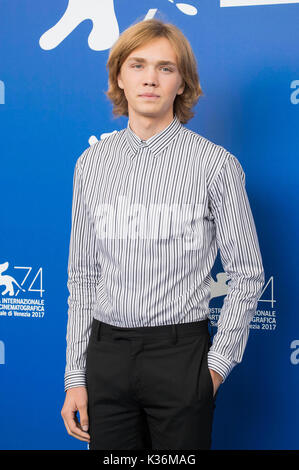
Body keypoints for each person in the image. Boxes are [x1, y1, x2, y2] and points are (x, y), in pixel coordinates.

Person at [60, 18, 265, 450]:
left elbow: (247, 275)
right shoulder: (91, 164)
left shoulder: (215, 165)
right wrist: (76, 376)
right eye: (138, 65)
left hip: (181, 356)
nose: (150, 78)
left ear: (182, 83)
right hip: (106, 354)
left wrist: (214, 368)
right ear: (119, 75)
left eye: (165, 68)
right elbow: (82, 276)